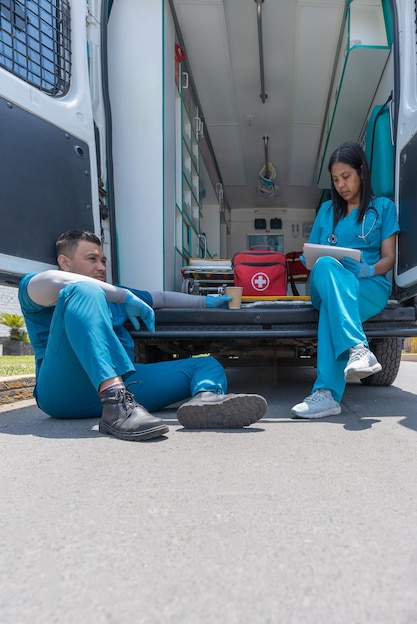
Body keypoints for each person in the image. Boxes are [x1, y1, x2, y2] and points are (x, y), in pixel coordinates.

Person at [18, 230, 267, 441]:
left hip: (129, 387)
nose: (101, 267)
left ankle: (206, 401)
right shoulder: (42, 291)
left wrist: (208, 302)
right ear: (65, 262)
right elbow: (52, 280)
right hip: (63, 391)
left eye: (103, 260)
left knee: (206, 364)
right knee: (84, 290)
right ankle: (115, 404)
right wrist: (122, 297)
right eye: (92, 259)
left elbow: (161, 298)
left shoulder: (114, 292)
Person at [291, 141, 399, 419]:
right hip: (325, 281)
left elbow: (388, 258)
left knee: (332, 308)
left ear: (361, 172)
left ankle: (326, 395)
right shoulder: (327, 211)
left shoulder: (384, 208)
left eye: (346, 177)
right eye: (336, 179)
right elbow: (313, 251)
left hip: (369, 285)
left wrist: (368, 269)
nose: (341, 185)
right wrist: (308, 259)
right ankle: (357, 348)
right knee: (327, 265)